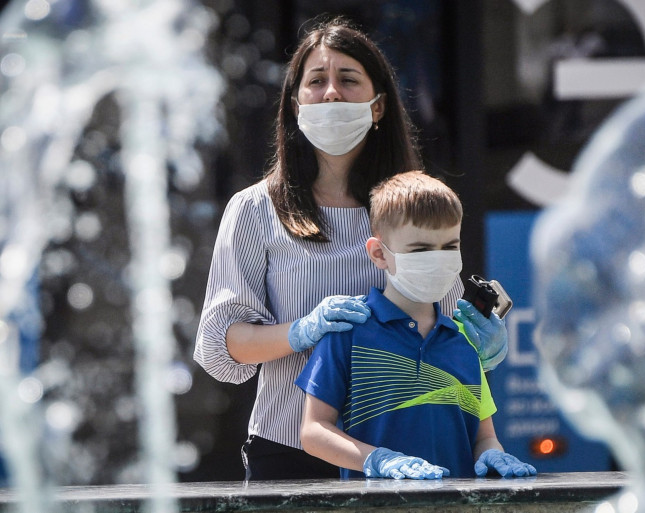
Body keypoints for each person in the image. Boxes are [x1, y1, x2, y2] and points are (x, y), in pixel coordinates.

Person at [194, 16, 507, 481]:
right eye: (316, 81)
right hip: (291, 450)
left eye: (348, 79)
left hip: (407, 453)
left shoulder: (412, 204)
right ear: (295, 105)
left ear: (378, 106)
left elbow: (442, 327)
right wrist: (301, 330)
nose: (332, 93)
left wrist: (483, 344)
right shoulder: (255, 208)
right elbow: (222, 348)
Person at [295, 171, 537, 479]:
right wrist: (378, 460)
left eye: (450, 246)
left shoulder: (465, 341)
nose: (438, 258)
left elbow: (483, 435)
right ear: (379, 253)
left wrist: (492, 454)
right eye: (421, 249)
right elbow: (314, 432)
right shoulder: (348, 331)